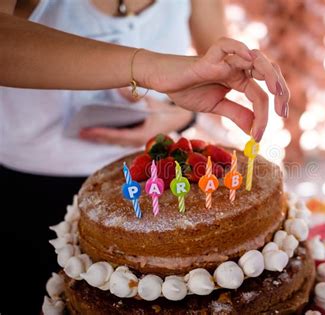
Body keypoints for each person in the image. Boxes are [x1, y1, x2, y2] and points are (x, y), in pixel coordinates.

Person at [0, 1, 289, 313]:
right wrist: (149, 69)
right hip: (30, 197)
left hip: (157, 182)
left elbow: (214, 67)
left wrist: (178, 114)